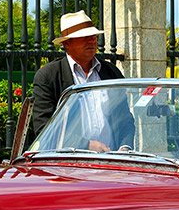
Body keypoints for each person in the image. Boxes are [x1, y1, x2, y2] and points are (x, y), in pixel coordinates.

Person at [30, 11, 127, 149]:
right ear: (67, 43)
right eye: (84, 37)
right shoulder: (48, 76)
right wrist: (86, 145)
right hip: (70, 163)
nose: (92, 40)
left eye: (93, 36)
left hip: (111, 160)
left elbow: (126, 120)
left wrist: (125, 148)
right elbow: (45, 129)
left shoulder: (111, 72)